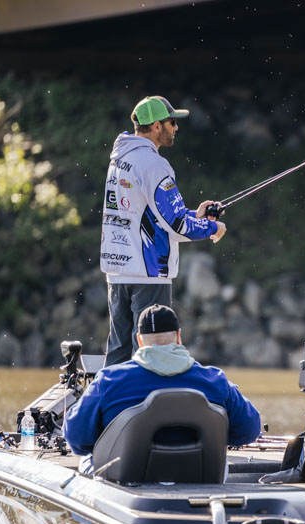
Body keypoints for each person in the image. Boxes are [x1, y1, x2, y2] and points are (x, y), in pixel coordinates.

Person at [101, 95, 227, 366]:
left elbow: (148, 215)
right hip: (148, 274)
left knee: (119, 350)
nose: (176, 127)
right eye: (172, 122)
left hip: (118, 271)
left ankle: (107, 393)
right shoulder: (154, 164)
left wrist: (195, 215)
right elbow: (176, 224)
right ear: (157, 126)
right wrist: (212, 227)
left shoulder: (120, 158)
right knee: (150, 354)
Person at [63, 304, 261, 474]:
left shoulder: (108, 380)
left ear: (139, 340)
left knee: (87, 458)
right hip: (200, 476)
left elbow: (76, 438)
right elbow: (249, 431)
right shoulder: (215, 380)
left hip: (125, 479)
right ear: (179, 336)